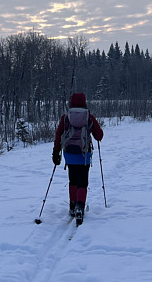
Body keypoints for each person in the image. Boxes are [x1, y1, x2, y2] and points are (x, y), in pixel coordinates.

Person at [53, 92, 103, 223]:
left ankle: (72, 205)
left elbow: (58, 135)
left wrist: (55, 152)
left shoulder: (66, 117)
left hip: (69, 154)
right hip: (84, 154)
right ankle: (80, 207)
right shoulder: (89, 117)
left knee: (73, 180)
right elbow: (99, 136)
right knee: (83, 181)